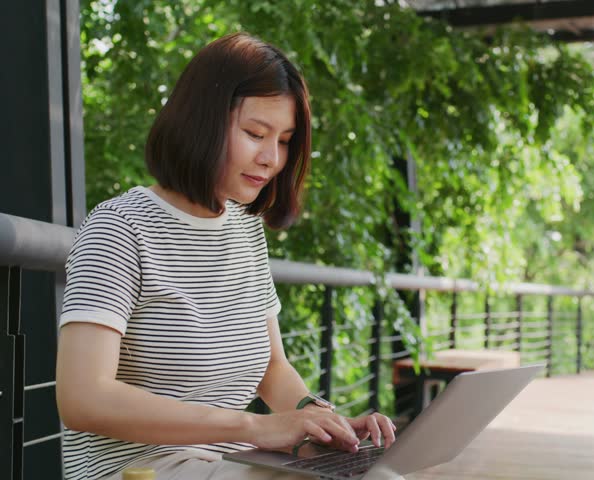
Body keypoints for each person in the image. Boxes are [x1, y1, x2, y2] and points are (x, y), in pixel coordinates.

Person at [55, 32, 395, 480]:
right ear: (203, 122)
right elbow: (83, 398)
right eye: (255, 133)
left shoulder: (244, 228)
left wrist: (318, 418)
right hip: (138, 468)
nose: (271, 158)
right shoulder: (119, 229)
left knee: (379, 475)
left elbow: (272, 368)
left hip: (229, 462)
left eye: (285, 140)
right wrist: (256, 426)